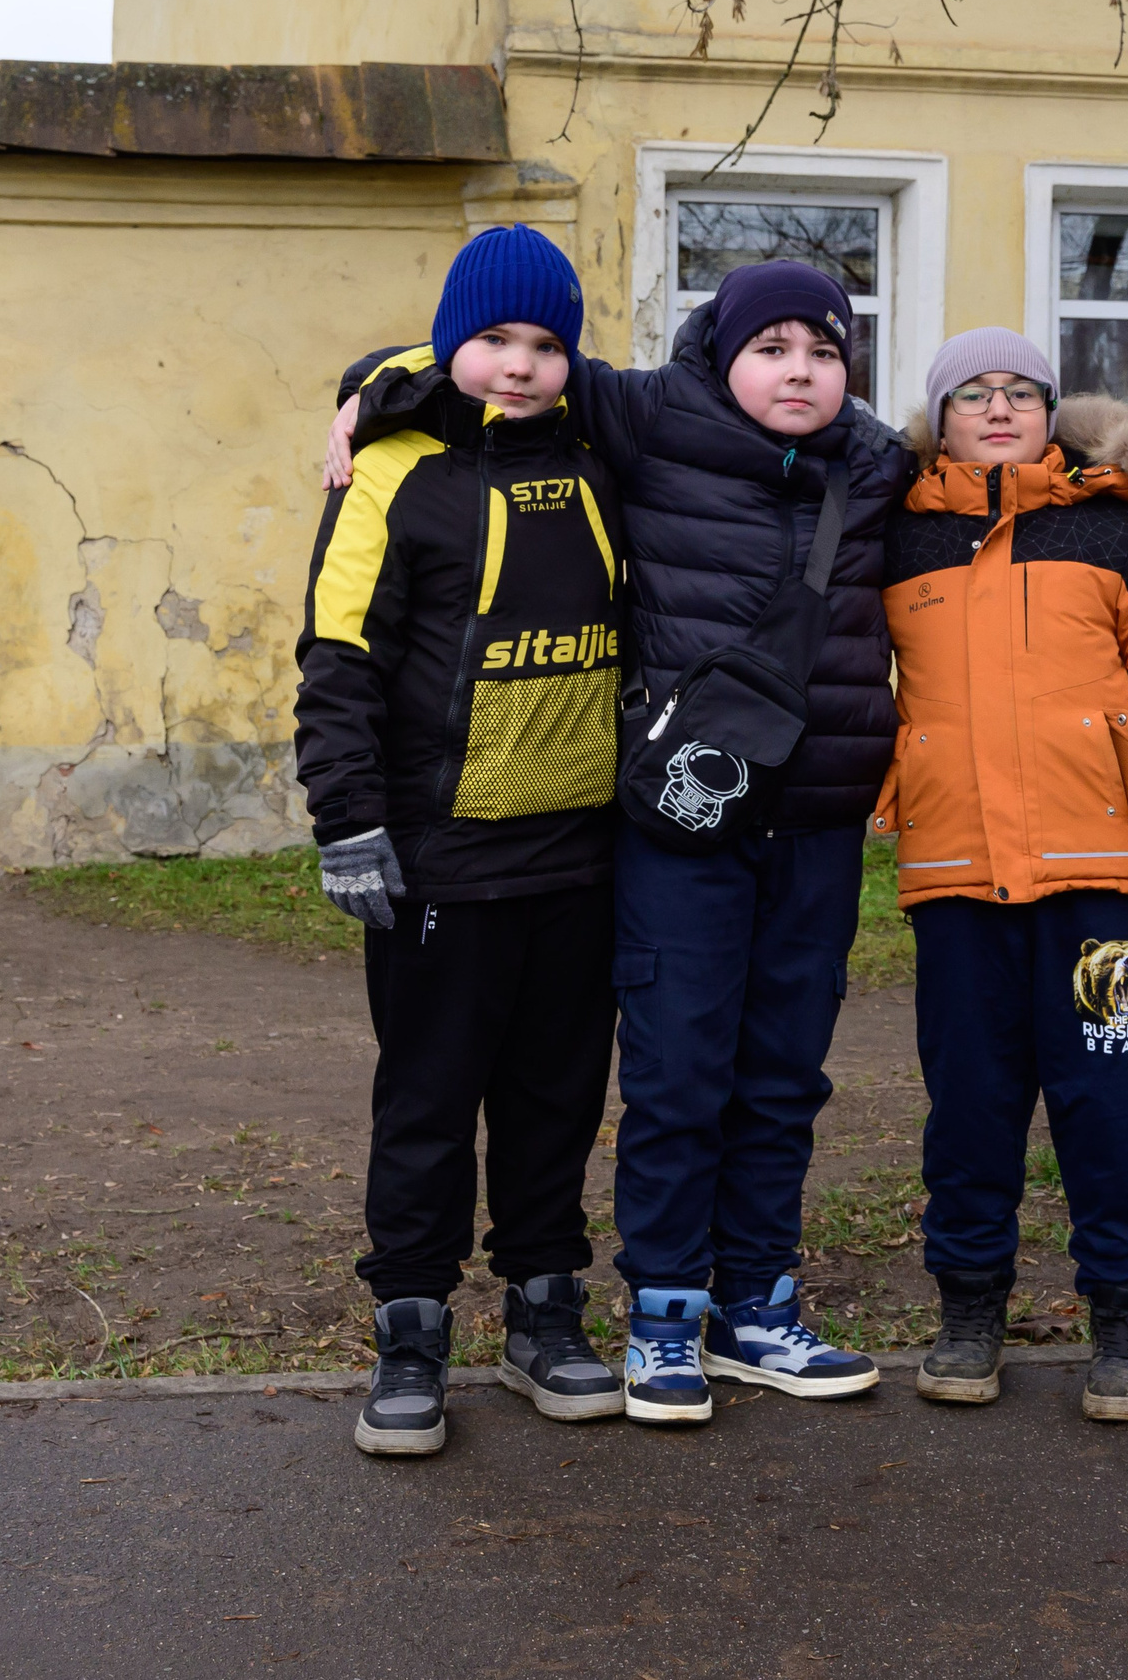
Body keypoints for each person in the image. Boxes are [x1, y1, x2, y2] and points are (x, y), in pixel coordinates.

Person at [329, 260, 909, 1424]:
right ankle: (662, 1316)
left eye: (824, 350)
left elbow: (1011, 467)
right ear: (720, 351)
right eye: (772, 346)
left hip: (817, 821)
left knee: (782, 1077)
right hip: (681, 819)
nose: (798, 370)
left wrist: (1125, 488)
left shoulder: (882, 462)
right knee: (676, 1071)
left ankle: (757, 1303)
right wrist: (369, 388)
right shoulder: (649, 416)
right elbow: (501, 362)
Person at [295, 224, 630, 1456]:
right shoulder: (390, 470)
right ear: (452, 342)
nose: (520, 365)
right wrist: (349, 822)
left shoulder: (604, 460)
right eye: (494, 339)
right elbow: (337, 658)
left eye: (546, 344)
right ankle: (411, 1324)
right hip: (438, 860)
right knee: (429, 1102)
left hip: (580, 857)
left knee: (554, 1100)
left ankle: (545, 1311)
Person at [874, 326, 1128, 1424]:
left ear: (1051, 411)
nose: (997, 407)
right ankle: (969, 1311)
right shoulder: (893, 539)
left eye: (1020, 391)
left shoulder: (1113, 531)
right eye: (970, 393)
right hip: (955, 881)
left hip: (1098, 883)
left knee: (1106, 1099)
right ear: (936, 418)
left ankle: (1125, 1321)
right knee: (970, 1103)